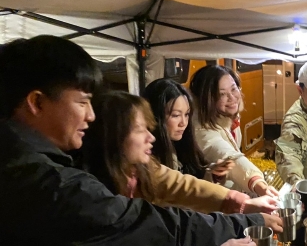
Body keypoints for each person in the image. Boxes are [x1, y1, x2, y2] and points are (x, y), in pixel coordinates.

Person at [0, 35, 265, 246]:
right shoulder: (42, 181)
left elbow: (174, 184)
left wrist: (234, 200)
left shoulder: (45, 162)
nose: (91, 115)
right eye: (82, 102)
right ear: (36, 102)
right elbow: (135, 235)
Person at [82, 89, 278, 219]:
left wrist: (242, 202)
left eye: (234, 89)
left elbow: (184, 185)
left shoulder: (144, 166)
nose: (150, 136)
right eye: (175, 115)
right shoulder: (92, 193)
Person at [190, 65, 279, 197]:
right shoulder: (201, 128)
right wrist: (257, 183)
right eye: (222, 94)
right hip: (214, 202)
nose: (232, 97)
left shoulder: (227, 116)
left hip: (234, 191)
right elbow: (227, 155)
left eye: (233, 89)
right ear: (207, 100)